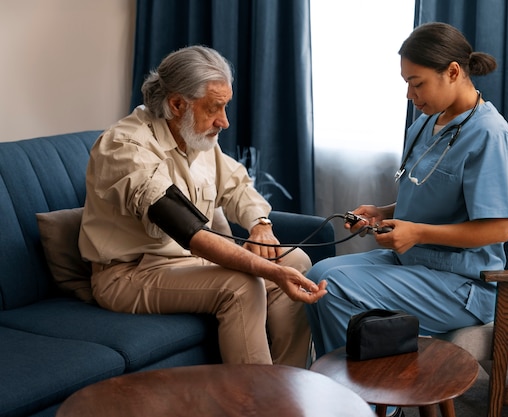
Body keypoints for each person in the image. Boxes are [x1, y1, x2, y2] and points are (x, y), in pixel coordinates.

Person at [78, 45, 327, 367]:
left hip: (187, 263)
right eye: (215, 108)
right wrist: (268, 270)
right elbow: (187, 228)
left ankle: (288, 385)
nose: (224, 121)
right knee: (241, 285)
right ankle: (257, 402)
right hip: (130, 274)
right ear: (177, 104)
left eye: (225, 107)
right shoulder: (125, 147)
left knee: (294, 260)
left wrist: (260, 226)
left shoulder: (197, 136)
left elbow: (237, 185)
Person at [306, 22, 508, 359]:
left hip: (460, 284)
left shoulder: (490, 136)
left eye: (416, 83)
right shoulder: (425, 123)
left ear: (452, 72)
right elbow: (429, 190)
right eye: (407, 84)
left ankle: (375, 404)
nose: (409, 95)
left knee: (333, 290)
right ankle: (346, 389)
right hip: (410, 264)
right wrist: (384, 213)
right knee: (317, 276)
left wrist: (416, 233)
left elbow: (499, 228)